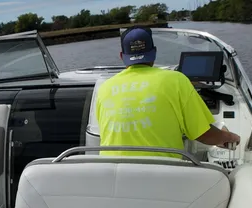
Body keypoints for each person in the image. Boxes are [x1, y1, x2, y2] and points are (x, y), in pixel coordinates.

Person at [95, 26, 240, 157]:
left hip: (114, 178)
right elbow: (204, 134)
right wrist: (229, 138)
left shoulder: (104, 89)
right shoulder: (177, 80)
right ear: (154, 52)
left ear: (122, 56)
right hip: (162, 178)